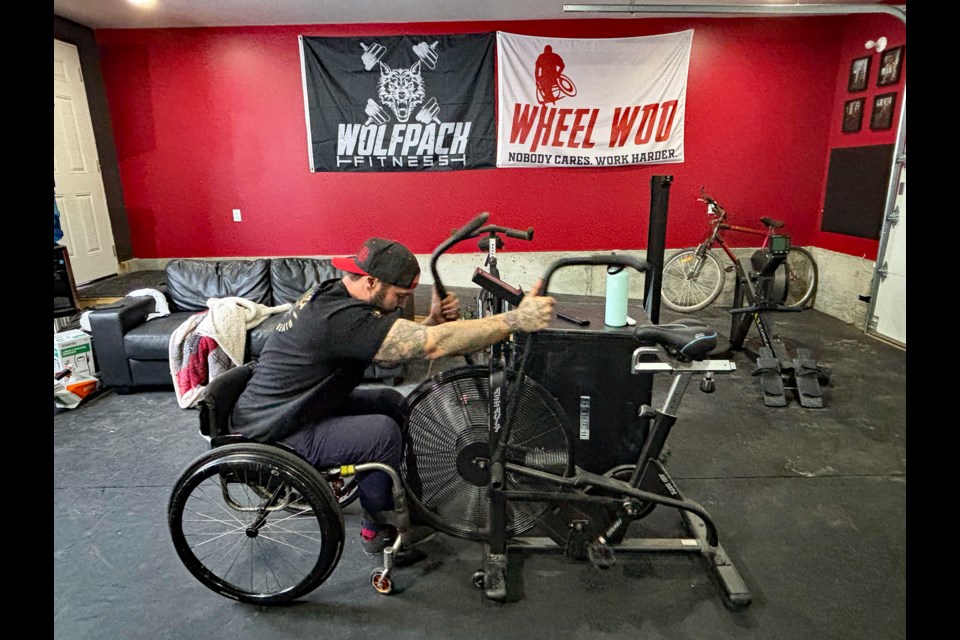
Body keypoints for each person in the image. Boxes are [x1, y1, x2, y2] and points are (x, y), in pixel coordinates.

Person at [230, 237, 555, 557]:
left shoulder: (338, 293)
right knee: (380, 435)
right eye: (400, 296)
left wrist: (430, 323)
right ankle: (379, 530)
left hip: (303, 404)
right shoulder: (341, 317)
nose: (402, 304)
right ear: (371, 281)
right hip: (278, 427)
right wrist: (514, 320)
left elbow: (387, 354)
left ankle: (405, 500)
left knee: (391, 402)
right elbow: (432, 345)